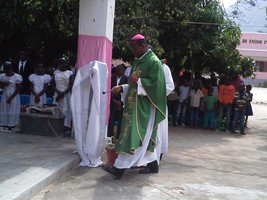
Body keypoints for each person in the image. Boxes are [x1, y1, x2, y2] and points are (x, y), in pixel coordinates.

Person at [101, 34, 167, 179]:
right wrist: (123, 87)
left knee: (134, 136)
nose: (133, 51)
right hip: (133, 105)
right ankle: (153, 164)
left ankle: (118, 168)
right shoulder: (138, 61)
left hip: (143, 108)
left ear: (144, 45)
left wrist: (139, 81)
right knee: (142, 137)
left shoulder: (154, 62)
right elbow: (133, 83)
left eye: (135, 48)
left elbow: (157, 86)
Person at [51, 58, 74, 130]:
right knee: (56, 108)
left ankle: (65, 125)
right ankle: (55, 124)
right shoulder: (55, 73)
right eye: (60, 63)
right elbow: (52, 84)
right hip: (57, 93)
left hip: (66, 94)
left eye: (63, 63)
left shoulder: (70, 73)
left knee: (65, 109)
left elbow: (70, 85)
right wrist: (58, 92)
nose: (61, 65)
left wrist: (63, 93)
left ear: (66, 64)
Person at [107, 64, 128, 139]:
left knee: (120, 122)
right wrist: (113, 100)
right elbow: (108, 89)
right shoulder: (111, 78)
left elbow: (127, 92)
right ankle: (109, 137)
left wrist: (121, 102)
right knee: (111, 121)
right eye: (118, 69)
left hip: (121, 104)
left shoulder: (126, 79)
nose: (120, 71)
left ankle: (118, 138)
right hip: (112, 103)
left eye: (122, 70)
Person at [0, 61, 22, 131]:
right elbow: (1, 87)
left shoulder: (17, 76)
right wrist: (3, 85)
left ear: (10, 69)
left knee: (12, 109)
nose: (6, 72)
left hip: (14, 96)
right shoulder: (2, 76)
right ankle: (4, 124)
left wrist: (11, 97)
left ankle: (12, 124)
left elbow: (18, 88)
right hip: (5, 95)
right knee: (5, 109)